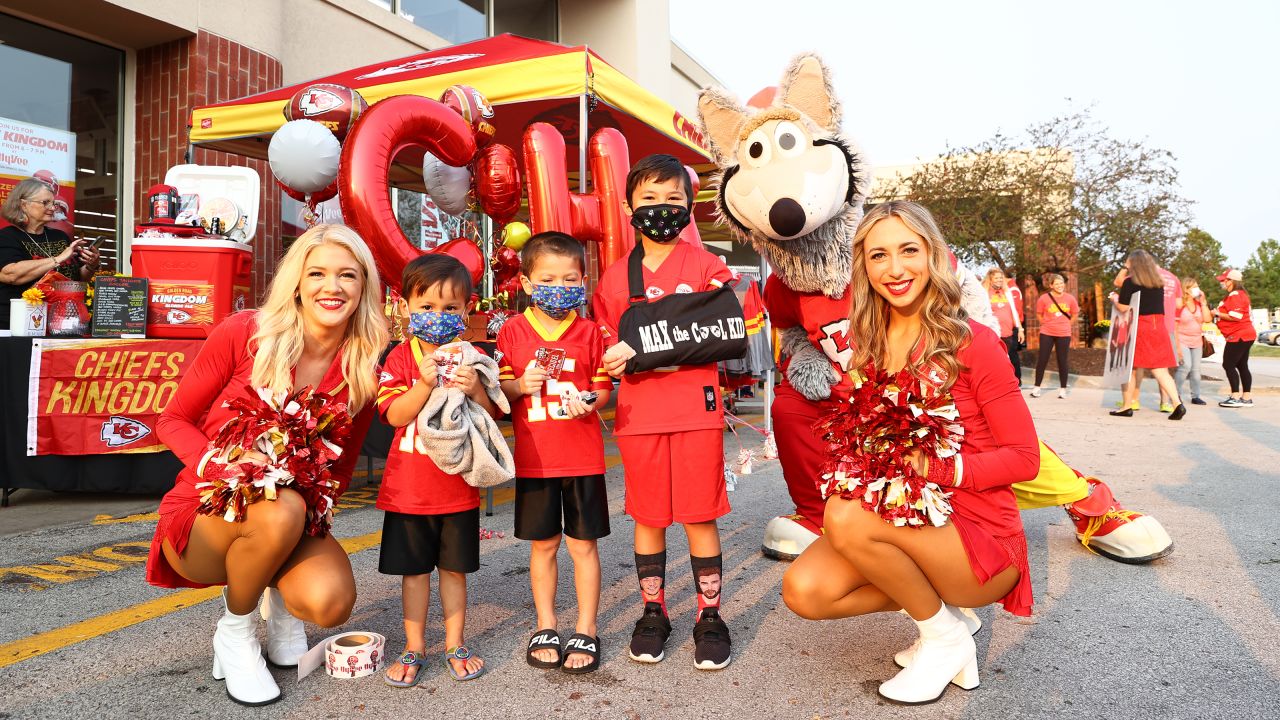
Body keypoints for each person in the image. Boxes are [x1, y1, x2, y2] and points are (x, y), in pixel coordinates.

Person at [781, 201, 1037, 705]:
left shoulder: (974, 343)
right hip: (904, 522)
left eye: (908, 251)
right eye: (879, 255)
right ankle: (943, 619)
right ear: (864, 267)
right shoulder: (866, 346)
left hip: (980, 543)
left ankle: (945, 639)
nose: (895, 269)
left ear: (934, 255)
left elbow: (1024, 458)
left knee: (846, 517)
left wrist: (938, 467)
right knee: (805, 589)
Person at [144, 224, 388, 706]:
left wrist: (316, 520)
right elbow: (170, 420)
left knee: (331, 603)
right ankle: (235, 633)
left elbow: (340, 469)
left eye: (347, 275)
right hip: (206, 515)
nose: (331, 287)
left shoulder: (362, 366)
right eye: (316, 273)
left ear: (364, 286)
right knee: (280, 509)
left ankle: (280, 608)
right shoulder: (245, 332)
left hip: (289, 520)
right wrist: (222, 463)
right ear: (296, 281)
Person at [593, 154, 735, 670]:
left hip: (697, 410)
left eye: (674, 199)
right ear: (630, 205)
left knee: (699, 514)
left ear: (689, 207)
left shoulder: (706, 265)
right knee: (648, 515)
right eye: (649, 198)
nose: (661, 209)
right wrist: (608, 365)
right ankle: (654, 611)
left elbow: (731, 320)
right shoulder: (613, 279)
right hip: (639, 415)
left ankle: (710, 616)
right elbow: (608, 343)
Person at [376, 254, 496, 687]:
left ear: (467, 310)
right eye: (426, 307)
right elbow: (393, 415)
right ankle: (414, 646)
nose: (438, 317)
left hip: (458, 486)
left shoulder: (473, 357)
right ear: (405, 306)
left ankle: (455, 642)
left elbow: (490, 414)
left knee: (454, 570)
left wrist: (477, 388)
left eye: (450, 308)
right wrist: (424, 383)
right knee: (414, 573)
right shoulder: (400, 360)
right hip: (409, 491)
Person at [497, 231, 613, 674]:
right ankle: (545, 622)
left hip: (583, 458)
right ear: (527, 282)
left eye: (570, 279)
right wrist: (517, 386)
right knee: (543, 544)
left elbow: (603, 388)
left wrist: (591, 400)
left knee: (584, 545)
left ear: (583, 279)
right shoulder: (513, 329)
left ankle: (587, 625)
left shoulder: (589, 332)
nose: (560, 287)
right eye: (549, 278)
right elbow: (499, 389)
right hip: (535, 461)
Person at [0, 177, 101, 328]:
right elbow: (10, 275)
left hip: (61, 324)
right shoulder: (7, 236)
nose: (53, 208)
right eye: (45, 202)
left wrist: (90, 266)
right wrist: (58, 259)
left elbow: (78, 279)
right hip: (18, 325)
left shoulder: (60, 237)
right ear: (24, 205)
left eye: (53, 203)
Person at [1109, 250, 1186, 420]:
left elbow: (1123, 308)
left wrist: (1115, 299)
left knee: (1129, 368)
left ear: (1133, 264)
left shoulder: (1130, 282)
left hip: (1141, 327)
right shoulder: (1157, 282)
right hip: (1158, 326)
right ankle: (1177, 403)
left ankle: (1127, 406)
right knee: (1160, 369)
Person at [1212, 268, 1256, 408]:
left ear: (1232, 281)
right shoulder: (1239, 294)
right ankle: (1246, 397)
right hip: (1246, 334)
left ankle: (1235, 396)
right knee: (1242, 365)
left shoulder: (1236, 294)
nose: (1223, 283)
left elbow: (1236, 316)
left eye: (1225, 280)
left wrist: (1217, 313)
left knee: (1228, 364)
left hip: (1239, 335)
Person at [1030, 273, 1078, 399]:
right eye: (1056, 284)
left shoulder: (1070, 298)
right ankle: (1037, 387)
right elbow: (1039, 314)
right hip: (1047, 333)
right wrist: (1045, 323)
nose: (1060, 286)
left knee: (1062, 361)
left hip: (1064, 333)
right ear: (1051, 285)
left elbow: (1074, 314)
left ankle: (1063, 389)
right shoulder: (1044, 299)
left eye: (1061, 283)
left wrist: (1068, 324)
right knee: (1042, 359)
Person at [1173, 277, 1210, 406]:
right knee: (1185, 366)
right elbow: (1175, 327)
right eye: (1194, 287)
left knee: (1196, 370)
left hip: (1197, 341)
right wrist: (1177, 347)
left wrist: (1204, 302)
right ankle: (1175, 394)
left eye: (1197, 286)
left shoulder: (1199, 304)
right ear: (1186, 289)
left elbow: (1207, 319)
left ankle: (1196, 395)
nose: (1197, 289)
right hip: (1182, 339)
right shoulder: (1179, 305)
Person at [985, 268, 1024, 382]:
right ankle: (997, 382)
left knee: (1011, 356)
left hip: (1009, 332)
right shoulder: (985, 293)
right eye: (996, 278)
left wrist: (1020, 329)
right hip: (993, 333)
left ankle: (1016, 381)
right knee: (995, 359)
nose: (999, 280)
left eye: (1001, 278)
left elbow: (1014, 311)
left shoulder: (1007, 292)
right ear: (991, 279)